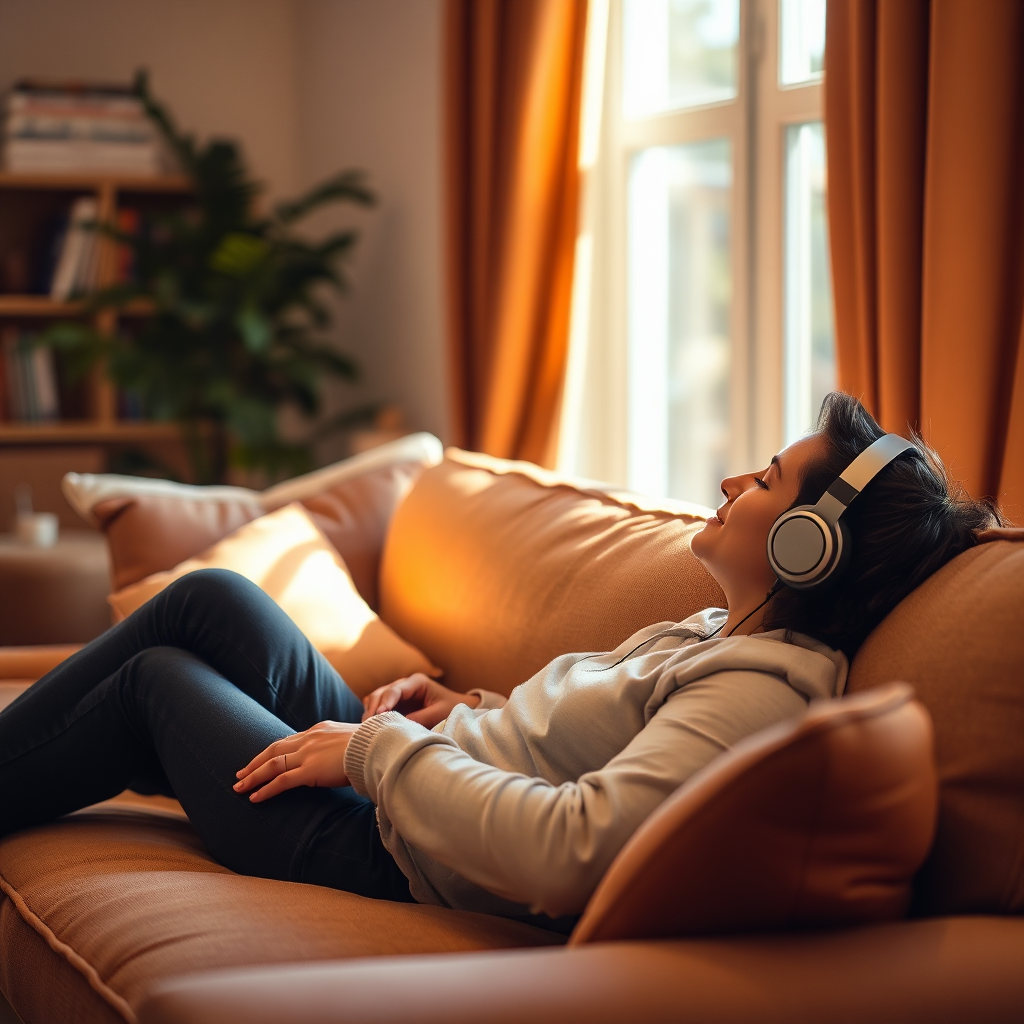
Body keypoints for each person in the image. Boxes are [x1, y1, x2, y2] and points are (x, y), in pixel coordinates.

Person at [0, 393, 1000, 931]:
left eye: (769, 479)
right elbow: (564, 742)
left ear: (807, 548)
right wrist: (461, 707)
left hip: (395, 848)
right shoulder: (709, 634)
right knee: (213, 599)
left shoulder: (756, 693)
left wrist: (374, 753)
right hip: (418, 778)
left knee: (155, 682)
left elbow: (574, 849)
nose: (733, 479)